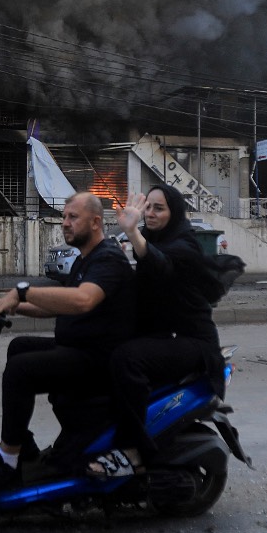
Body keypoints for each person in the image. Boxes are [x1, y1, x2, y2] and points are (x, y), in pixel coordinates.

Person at [0, 191, 136, 492]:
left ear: (95, 222)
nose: (64, 223)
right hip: (80, 351)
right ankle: (22, 444)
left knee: (20, 371)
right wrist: (8, 305)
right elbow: (56, 305)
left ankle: (8, 460)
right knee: (19, 348)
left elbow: (83, 300)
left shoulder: (108, 258)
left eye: (72, 217)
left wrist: (23, 292)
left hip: (100, 361)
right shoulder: (86, 259)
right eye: (64, 217)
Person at [88, 184, 227, 478]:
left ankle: (132, 452)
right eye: (147, 207)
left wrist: (132, 231)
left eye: (158, 208)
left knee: (128, 358)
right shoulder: (151, 238)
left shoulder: (185, 244)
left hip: (192, 342)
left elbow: (159, 264)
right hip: (164, 333)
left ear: (173, 213)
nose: (150, 213)